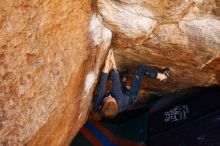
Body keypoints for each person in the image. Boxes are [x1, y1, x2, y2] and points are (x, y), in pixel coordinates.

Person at [91, 50, 170, 120]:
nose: (110, 96)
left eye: (108, 98)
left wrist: (107, 63)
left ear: (102, 104)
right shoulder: (120, 99)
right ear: (116, 104)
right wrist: (113, 62)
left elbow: (102, 81)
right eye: (112, 98)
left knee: (116, 76)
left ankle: (124, 79)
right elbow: (116, 84)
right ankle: (163, 77)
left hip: (121, 96)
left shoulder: (98, 101)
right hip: (130, 97)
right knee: (141, 69)